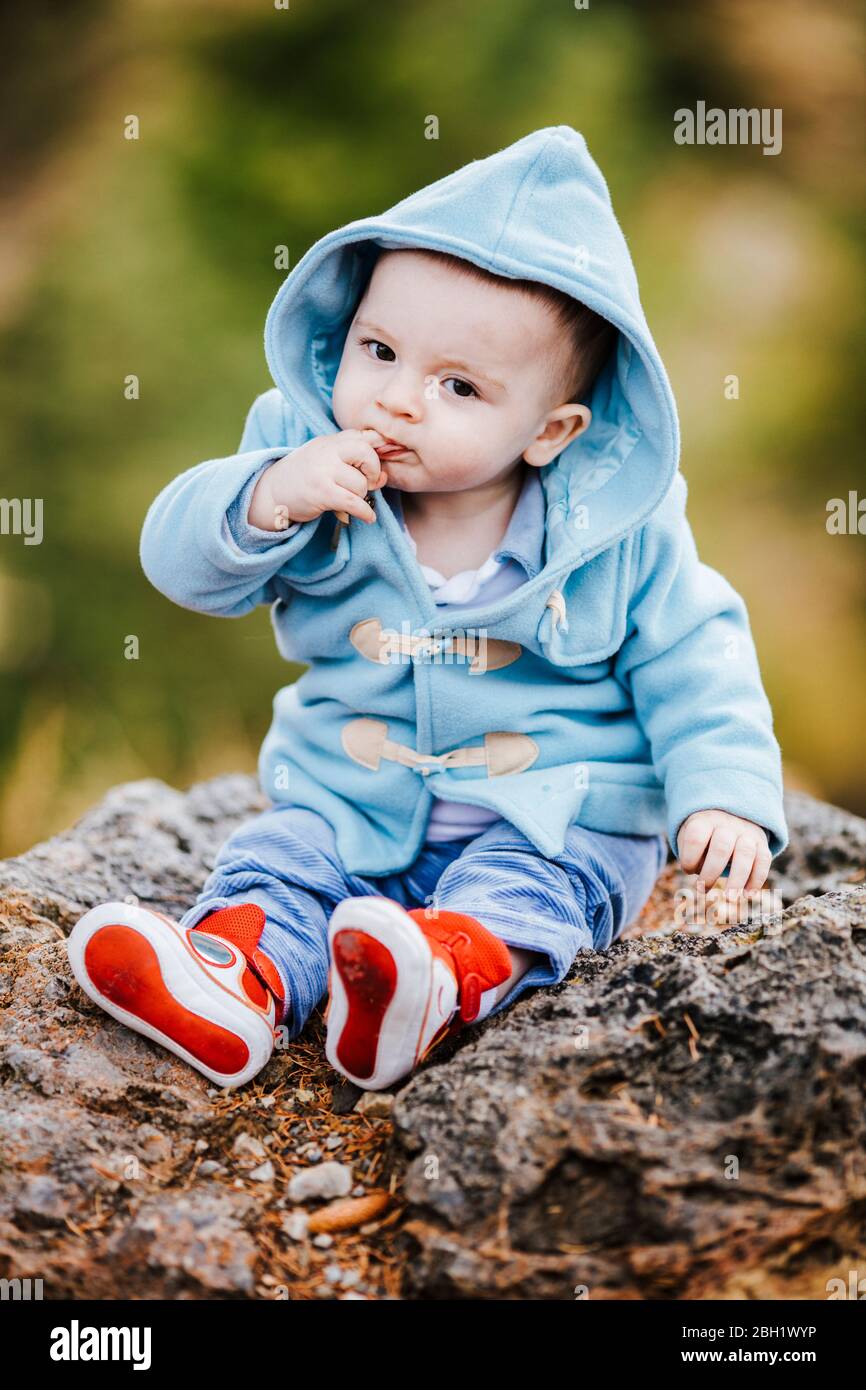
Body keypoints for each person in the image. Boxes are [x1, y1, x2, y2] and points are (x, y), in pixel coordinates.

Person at [67, 127, 787, 1092]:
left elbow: (696, 653)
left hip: (559, 808)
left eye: (456, 386)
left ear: (549, 432)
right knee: (282, 856)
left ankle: (442, 975)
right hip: (348, 792)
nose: (397, 401)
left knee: (538, 887)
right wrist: (267, 495)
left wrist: (725, 789)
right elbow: (179, 562)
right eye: (379, 350)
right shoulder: (305, 457)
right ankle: (233, 981)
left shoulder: (614, 527)